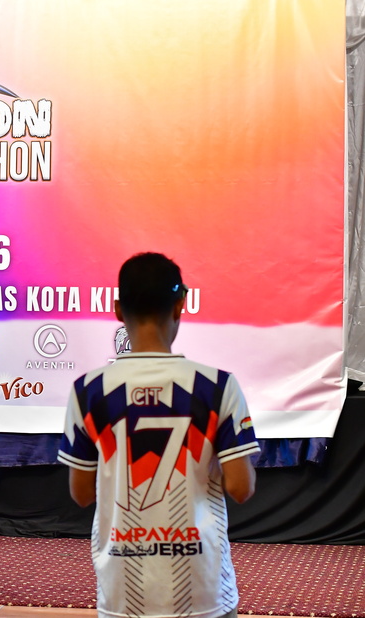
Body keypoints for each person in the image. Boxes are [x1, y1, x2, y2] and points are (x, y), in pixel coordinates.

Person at [58, 252, 259, 618]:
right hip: (203, 591)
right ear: (180, 305)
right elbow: (241, 488)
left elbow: (81, 494)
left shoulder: (87, 391)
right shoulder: (217, 386)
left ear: (117, 310)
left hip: (124, 594)